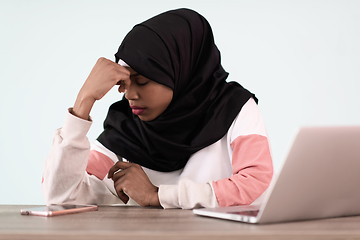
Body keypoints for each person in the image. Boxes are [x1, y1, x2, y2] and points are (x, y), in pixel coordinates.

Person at [41, 8, 273, 209]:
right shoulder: (126, 127)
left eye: (142, 81)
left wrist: (158, 195)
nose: (130, 95)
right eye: (126, 83)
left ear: (181, 72)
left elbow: (255, 183)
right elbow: (61, 199)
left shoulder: (233, 108)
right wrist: (84, 101)